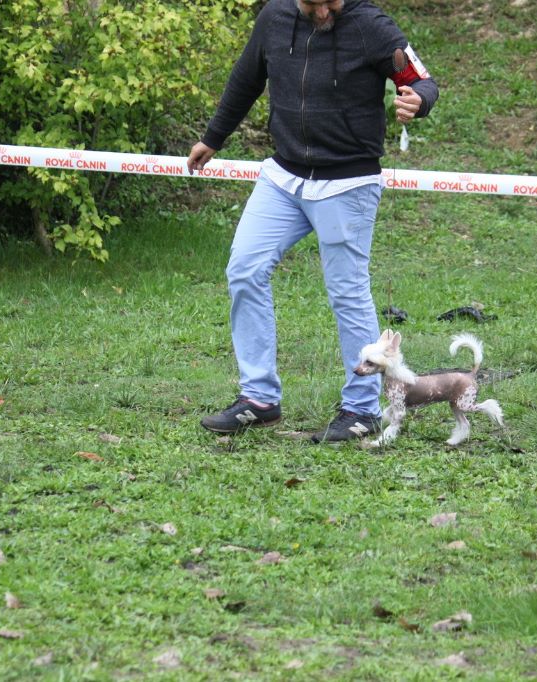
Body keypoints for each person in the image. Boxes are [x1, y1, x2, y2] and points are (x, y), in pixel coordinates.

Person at [188, 0, 439, 442]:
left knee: (347, 291)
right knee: (244, 269)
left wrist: (419, 102)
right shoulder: (274, 17)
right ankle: (259, 399)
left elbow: (419, 79)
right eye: (312, 2)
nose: (322, 9)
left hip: (348, 181)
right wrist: (213, 138)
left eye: (330, 1)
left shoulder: (371, 24)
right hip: (284, 176)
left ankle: (362, 409)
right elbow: (246, 80)